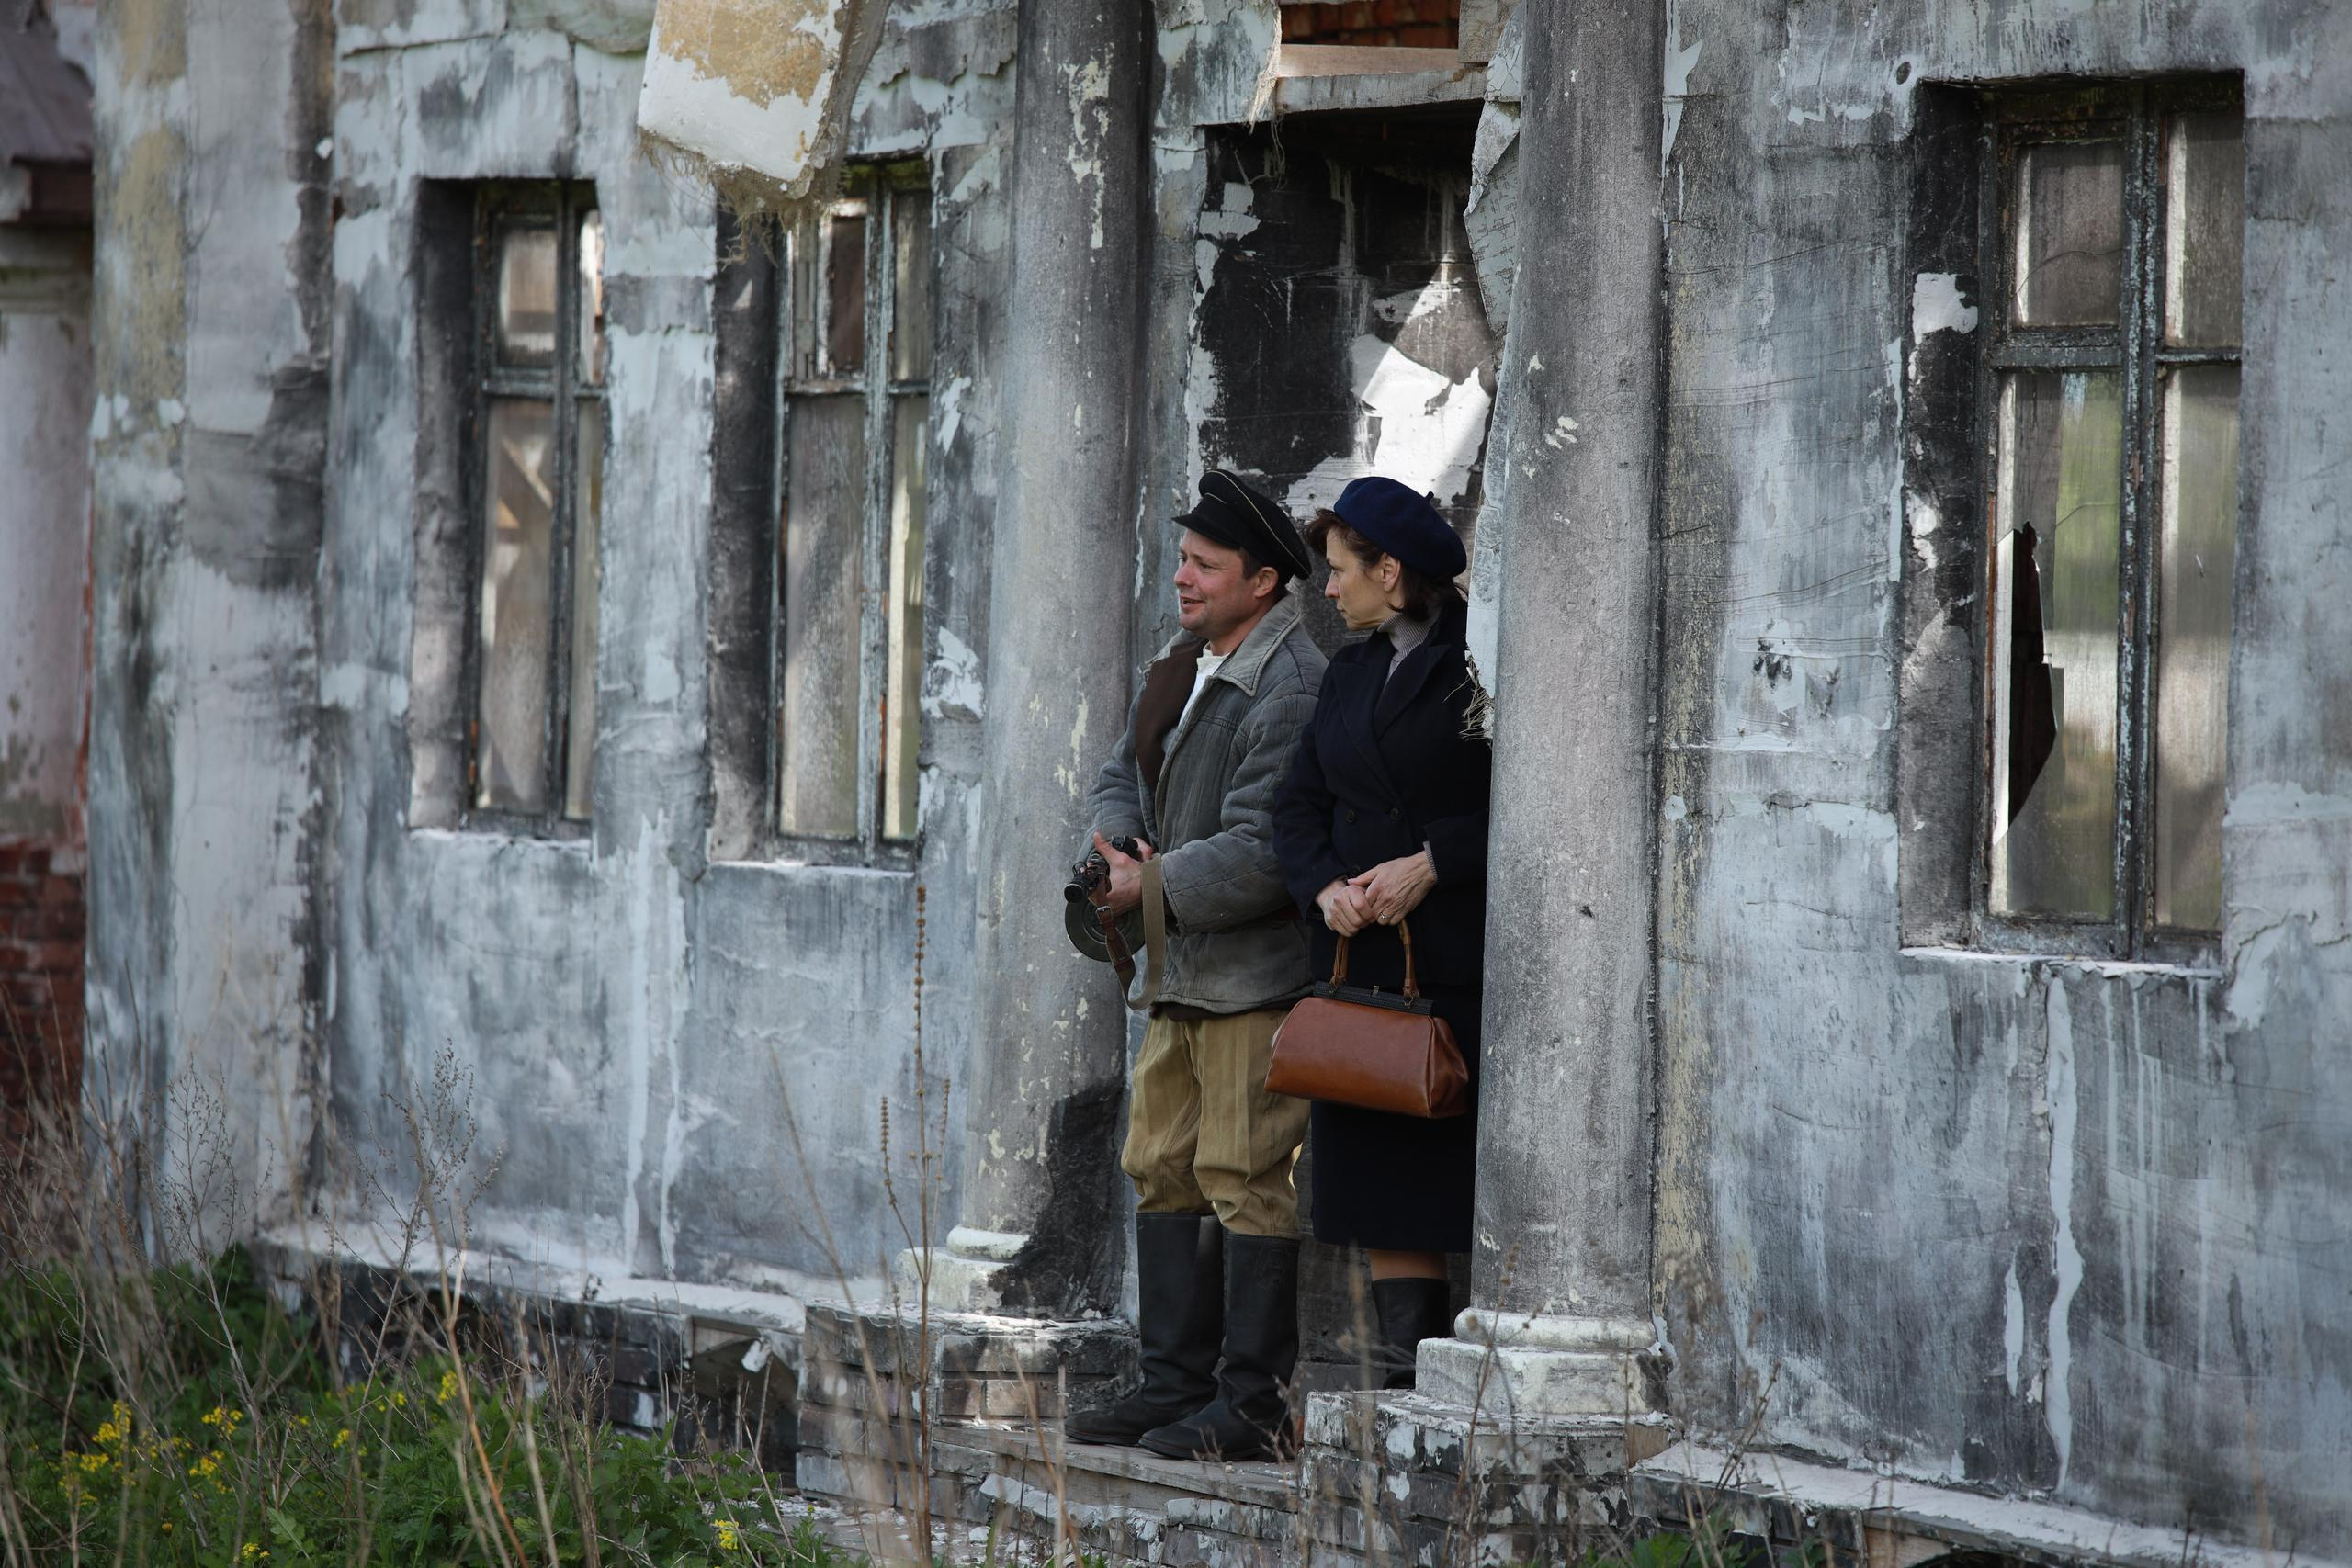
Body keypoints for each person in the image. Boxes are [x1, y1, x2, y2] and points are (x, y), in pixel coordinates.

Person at [1063, 468, 1327, 1462]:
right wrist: (1118, 846)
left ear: (1263, 582)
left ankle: (1252, 1408)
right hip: (1175, 972)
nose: (1181, 576)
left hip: (1252, 979)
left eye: (1203, 564)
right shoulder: (1188, 659)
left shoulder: (1290, 685)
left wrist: (1150, 883)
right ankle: (1173, 1385)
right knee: (1160, 1164)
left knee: (1246, 1176)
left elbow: (1268, 848)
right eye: (1181, 558)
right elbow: (1121, 769)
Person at [1272, 475, 1490, 1389]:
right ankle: (1399, 1362)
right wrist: (1323, 888)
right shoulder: (1352, 667)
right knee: (1375, 1166)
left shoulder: (1478, 659)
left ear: (1389, 570)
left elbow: (1533, 799)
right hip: (1355, 955)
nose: (1327, 589)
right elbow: (1297, 802)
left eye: (1339, 571)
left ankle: (1441, 1364)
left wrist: (1432, 862)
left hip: (1445, 956)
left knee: (1436, 1156)